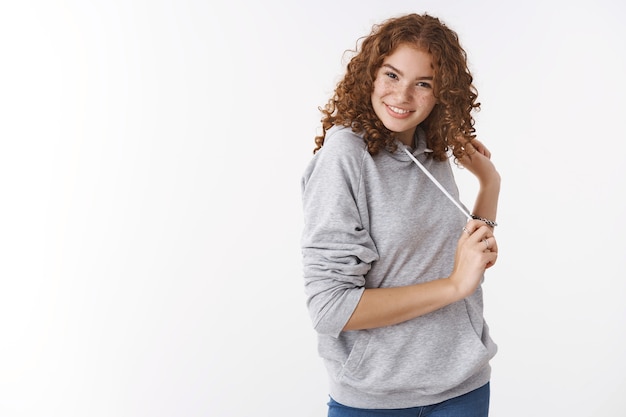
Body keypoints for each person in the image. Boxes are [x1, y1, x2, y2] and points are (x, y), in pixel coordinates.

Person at [300, 13, 501, 417]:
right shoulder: (345, 158)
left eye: (422, 84)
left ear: (441, 92)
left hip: (463, 388)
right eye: (392, 75)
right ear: (370, 74)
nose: (403, 96)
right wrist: (453, 286)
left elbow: (464, 263)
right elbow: (330, 309)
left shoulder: (430, 146)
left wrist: (490, 184)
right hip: (377, 401)